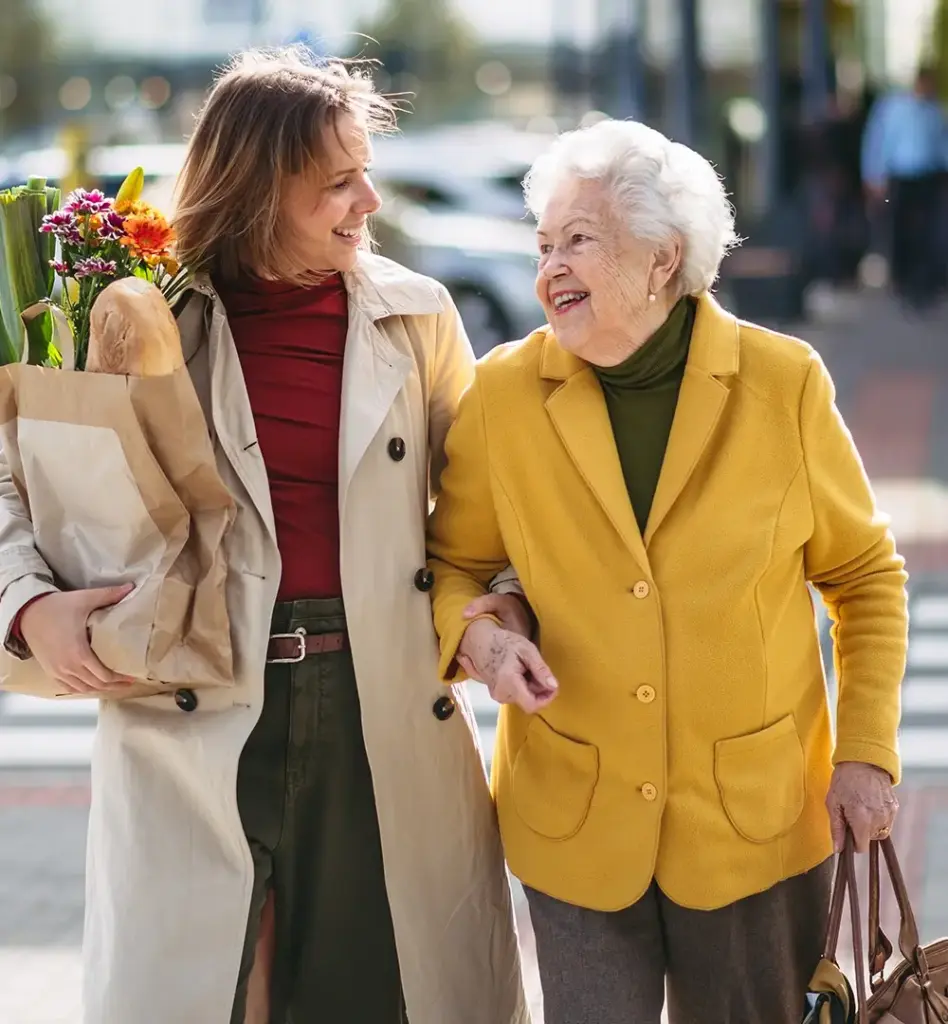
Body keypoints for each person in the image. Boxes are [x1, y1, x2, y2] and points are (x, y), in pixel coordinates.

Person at [0, 48, 533, 1024]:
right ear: (259, 186)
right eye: (338, 180)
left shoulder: (419, 318)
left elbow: (485, 517)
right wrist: (29, 609)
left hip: (384, 713)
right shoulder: (127, 315)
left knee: (386, 995)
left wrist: (495, 615)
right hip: (190, 715)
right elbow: (13, 487)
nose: (369, 198)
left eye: (365, 170)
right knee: (211, 995)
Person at [426, 119, 908, 1024]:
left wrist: (866, 754)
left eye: (579, 241)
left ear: (663, 259)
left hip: (753, 825)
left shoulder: (782, 383)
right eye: (543, 246)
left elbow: (865, 579)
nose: (549, 269)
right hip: (575, 819)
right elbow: (452, 566)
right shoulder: (502, 394)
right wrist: (484, 640)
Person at [861, 66, 948, 307]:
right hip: (900, 178)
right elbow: (879, 142)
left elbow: (942, 145)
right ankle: (902, 278)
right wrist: (874, 175)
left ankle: (922, 280)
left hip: (928, 178)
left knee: (926, 230)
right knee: (899, 227)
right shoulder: (895, 108)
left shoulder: (934, 111)